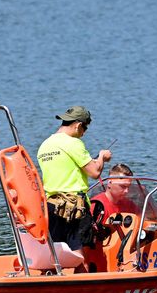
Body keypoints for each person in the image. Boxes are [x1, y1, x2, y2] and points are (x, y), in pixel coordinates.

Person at [36, 105, 112, 251]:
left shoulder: (45, 145)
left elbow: (65, 167)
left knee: (56, 255)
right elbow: (95, 172)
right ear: (78, 126)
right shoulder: (73, 143)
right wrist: (102, 156)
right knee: (79, 256)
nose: (84, 133)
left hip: (52, 207)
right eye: (85, 129)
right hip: (74, 208)